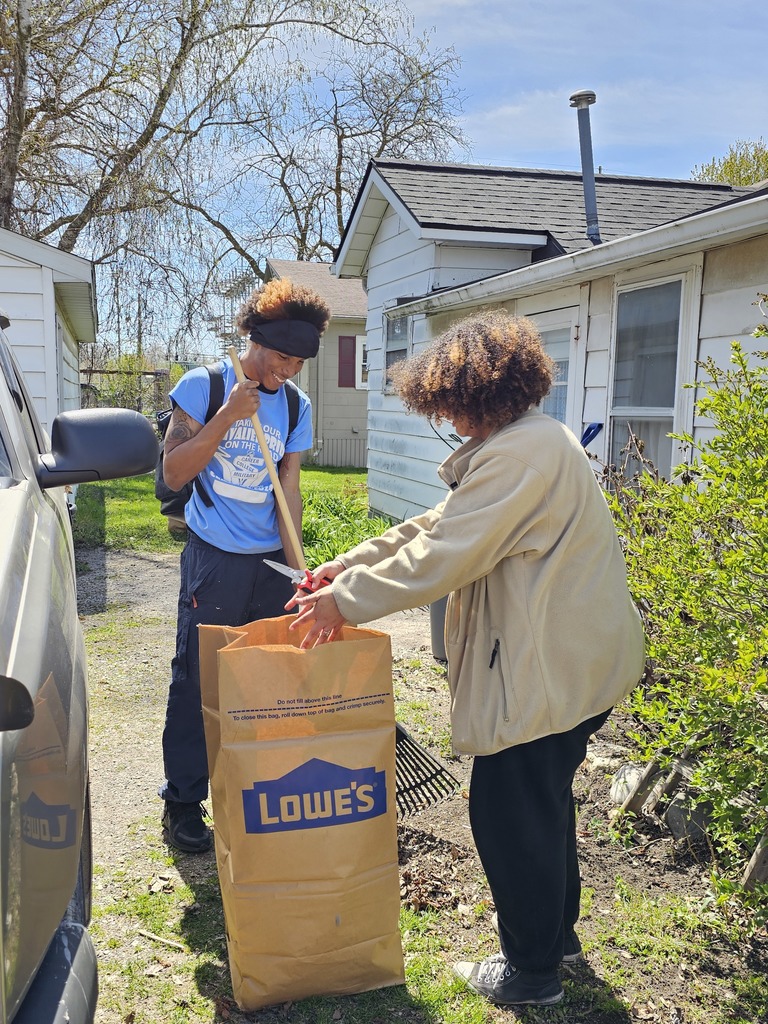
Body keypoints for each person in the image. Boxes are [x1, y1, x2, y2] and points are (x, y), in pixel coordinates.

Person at [289, 310, 645, 1007]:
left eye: (450, 404)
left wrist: (344, 602)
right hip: (577, 662)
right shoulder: (529, 442)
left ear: (482, 392)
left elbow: (445, 554)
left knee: (508, 814)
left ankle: (531, 974)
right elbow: (441, 524)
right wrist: (349, 565)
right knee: (539, 804)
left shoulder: (520, 456)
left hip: (552, 668)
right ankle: (556, 942)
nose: (446, 419)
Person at [159, 278, 330, 853]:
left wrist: (299, 567)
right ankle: (184, 802)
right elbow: (174, 472)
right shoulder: (204, 386)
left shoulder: (297, 405)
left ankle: (255, 790)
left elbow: (289, 487)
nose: (289, 370)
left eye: (299, 362)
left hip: (269, 564)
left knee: (265, 680)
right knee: (198, 677)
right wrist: (228, 415)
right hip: (214, 560)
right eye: (282, 357)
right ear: (255, 340)